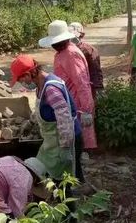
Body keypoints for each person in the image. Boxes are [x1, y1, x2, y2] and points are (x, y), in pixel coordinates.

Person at [9, 54, 84, 184]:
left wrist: (65, 149)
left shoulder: (50, 89)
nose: (22, 83)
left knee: (62, 182)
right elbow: (44, 110)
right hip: (53, 141)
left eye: (21, 79)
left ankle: (70, 203)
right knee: (48, 173)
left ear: (28, 73)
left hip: (65, 140)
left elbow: (64, 119)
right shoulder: (41, 85)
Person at [39, 20, 97, 151]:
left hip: (78, 104)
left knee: (78, 142)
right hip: (69, 100)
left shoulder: (71, 54)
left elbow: (82, 83)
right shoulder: (61, 53)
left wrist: (87, 110)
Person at [69, 22, 104, 99]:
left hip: (87, 88)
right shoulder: (65, 51)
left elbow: (95, 71)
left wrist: (98, 88)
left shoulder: (89, 50)